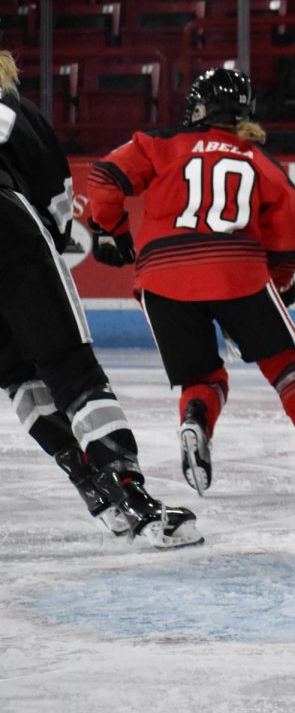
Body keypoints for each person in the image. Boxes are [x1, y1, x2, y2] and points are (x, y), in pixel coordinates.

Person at [86, 67, 295, 497]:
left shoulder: (158, 143)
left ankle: (196, 421)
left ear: (198, 108)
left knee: (203, 376)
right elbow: (293, 232)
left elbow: (105, 176)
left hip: (162, 279)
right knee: (285, 365)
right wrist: (280, 281)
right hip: (238, 273)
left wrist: (112, 230)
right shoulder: (260, 161)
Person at [0, 49, 202, 547]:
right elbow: (55, 195)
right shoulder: (11, 105)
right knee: (71, 369)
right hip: (8, 229)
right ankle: (133, 499)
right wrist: (53, 234)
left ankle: (96, 492)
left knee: (16, 375)